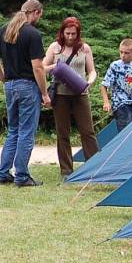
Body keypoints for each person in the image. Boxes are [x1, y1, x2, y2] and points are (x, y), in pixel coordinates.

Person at [0, 0, 50, 187]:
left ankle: (3, 173)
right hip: (27, 86)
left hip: (10, 86)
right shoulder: (33, 34)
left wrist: (4, 78)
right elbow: (38, 67)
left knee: (13, 130)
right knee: (26, 132)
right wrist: (45, 93)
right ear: (36, 12)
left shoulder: (5, 30)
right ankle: (22, 175)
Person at [43, 17, 99, 177]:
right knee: (63, 133)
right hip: (60, 96)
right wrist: (56, 67)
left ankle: (93, 167)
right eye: (67, 33)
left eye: (74, 34)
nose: (70, 37)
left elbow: (92, 70)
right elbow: (42, 67)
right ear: (62, 32)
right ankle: (66, 170)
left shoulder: (85, 48)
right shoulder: (55, 47)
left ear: (78, 34)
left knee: (87, 131)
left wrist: (90, 81)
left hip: (80, 94)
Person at [101, 38, 132, 132]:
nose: (123, 55)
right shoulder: (115, 66)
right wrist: (106, 102)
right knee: (127, 127)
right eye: (121, 52)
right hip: (120, 103)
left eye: (126, 53)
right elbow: (104, 85)